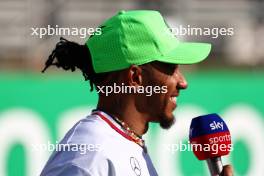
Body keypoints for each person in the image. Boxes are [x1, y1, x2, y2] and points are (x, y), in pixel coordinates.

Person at [40, 10, 233, 176]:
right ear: (135, 77)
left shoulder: (122, 141)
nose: (183, 82)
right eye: (171, 68)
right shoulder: (88, 158)